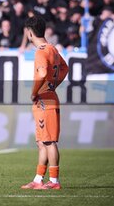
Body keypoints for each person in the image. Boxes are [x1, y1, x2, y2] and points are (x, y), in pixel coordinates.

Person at [21, 15, 68, 190]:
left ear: (29, 32)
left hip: (44, 100)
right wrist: (53, 84)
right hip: (49, 97)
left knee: (49, 141)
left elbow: (41, 74)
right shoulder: (52, 49)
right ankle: (38, 179)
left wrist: (35, 92)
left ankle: (54, 181)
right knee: (42, 142)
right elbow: (65, 68)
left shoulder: (41, 51)